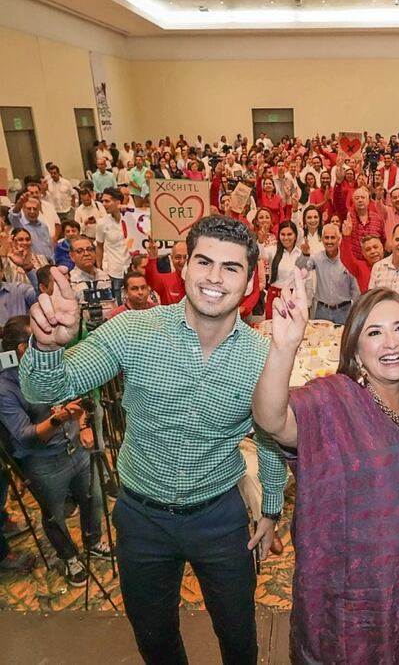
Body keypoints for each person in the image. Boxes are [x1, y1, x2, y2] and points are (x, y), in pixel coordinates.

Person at [20, 216, 288, 665]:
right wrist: (47, 348)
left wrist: (272, 508)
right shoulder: (134, 331)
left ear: (249, 282)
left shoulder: (263, 356)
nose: (214, 278)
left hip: (219, 517)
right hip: (142, 518)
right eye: (204, 261)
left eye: (231, 267)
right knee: (155, 641)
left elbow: (270, 437)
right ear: (183, 267)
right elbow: (47, 389)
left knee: (239, 635)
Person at [252, 282, 399, 664]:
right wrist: (284, 347)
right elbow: (271, 418)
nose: (390, 342)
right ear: (356, 349)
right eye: (374, 332)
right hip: (352, 605)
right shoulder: (332, 400)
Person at [0, 316, 107, 587]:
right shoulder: (6, 387)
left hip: (76, 450)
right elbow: (25, 436)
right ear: (23, 348)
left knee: (93, 499)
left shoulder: (52, 366)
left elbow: (75, 393)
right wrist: (58, 419)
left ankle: (93, 541)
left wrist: (83, 424)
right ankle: (69, 557)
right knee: (54, 515)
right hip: (44, 464)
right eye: (40, 338)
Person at [296, 223, 359, 324]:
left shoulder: (347, 259)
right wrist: (304, 254)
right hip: (322, 311)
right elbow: (300, 267)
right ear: (322, 239)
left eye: (333, 238)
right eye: (326, 238)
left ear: (339, 239)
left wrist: (356, 311)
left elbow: (355, 290)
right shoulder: (317, 258)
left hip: (344, 311)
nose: (329, 241)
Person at [261, 221, 302, 319]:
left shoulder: (300, 254)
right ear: (279, 236)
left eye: (289, 234)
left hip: (293, 297)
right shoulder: (272, 250)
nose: (286, 238)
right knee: (271, 325)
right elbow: (259, 254)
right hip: (274, 296)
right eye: (283, 234)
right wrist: (260, 241)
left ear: (295, 236)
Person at [144, 240, 188, 305]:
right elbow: (151, 278)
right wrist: (152, 258)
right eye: (178, 257)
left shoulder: (199, 280)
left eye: (185, 257)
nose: (182, 261)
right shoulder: (165, 280)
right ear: (171, 258)